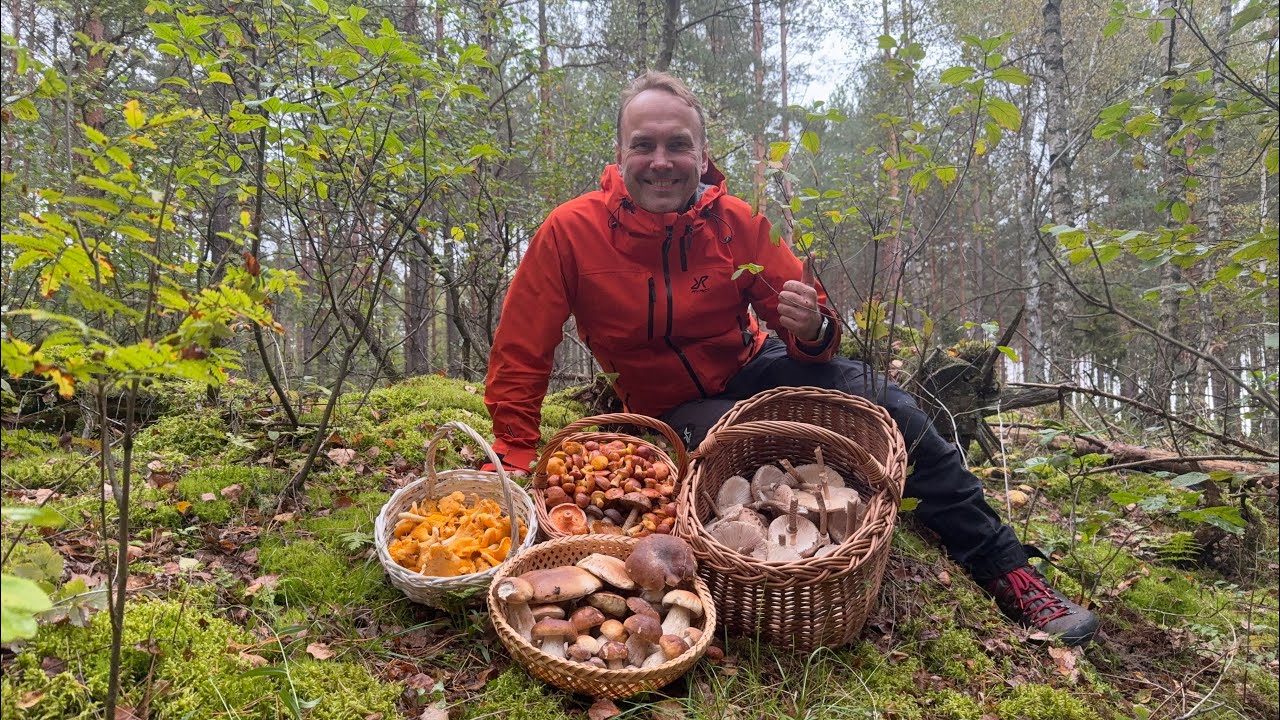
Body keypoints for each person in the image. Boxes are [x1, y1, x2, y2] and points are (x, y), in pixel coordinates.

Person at [483, 71, 1099, 646]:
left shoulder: (735, 223)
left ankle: (1008, 571)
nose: (661, 161)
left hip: (758, 365)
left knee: (895, 410)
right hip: (672, 405)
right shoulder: (571, 232)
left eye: (678, 145)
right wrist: (513, 448)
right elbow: (522, 347)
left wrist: (812, 328)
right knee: (756, 442)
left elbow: (814, 322)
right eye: (644, 145)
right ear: (620, 153)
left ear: (702, 153)